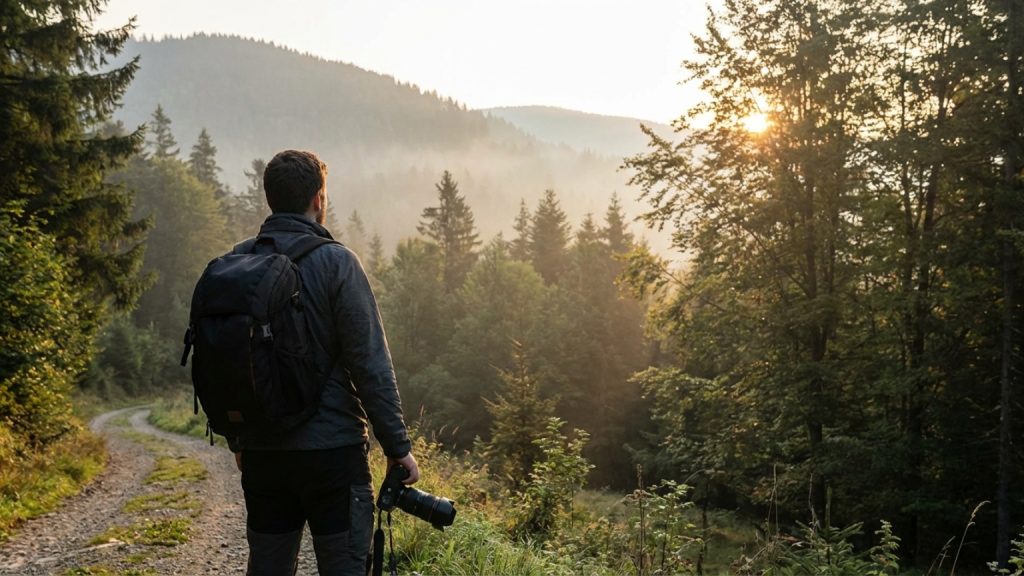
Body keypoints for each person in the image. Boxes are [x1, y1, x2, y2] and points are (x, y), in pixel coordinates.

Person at [228, 149, 419, 576]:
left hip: (263, 451)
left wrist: (239, 439)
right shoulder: (337, 263)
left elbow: (233, 360)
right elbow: (369, 362)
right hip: (332, 455)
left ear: (270, 199)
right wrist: (398, 448)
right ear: (319, 199)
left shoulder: (239, 261)